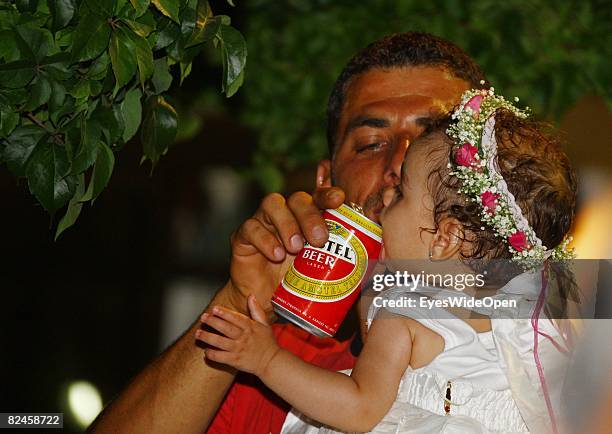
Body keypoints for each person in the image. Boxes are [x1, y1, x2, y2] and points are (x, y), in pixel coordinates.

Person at [88, 32, 487, 433]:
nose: (400, 164)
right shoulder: (272, 365)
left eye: (435, 143)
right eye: (369, 144)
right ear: (326, 181)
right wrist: (242, 301)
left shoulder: (533, 331)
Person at [195, 89, 578, 433]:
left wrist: (266, 359)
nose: (388, 196)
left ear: (445, 238)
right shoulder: (530, 323)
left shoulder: (406, 311)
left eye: (401, 195)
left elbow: (360, 407)